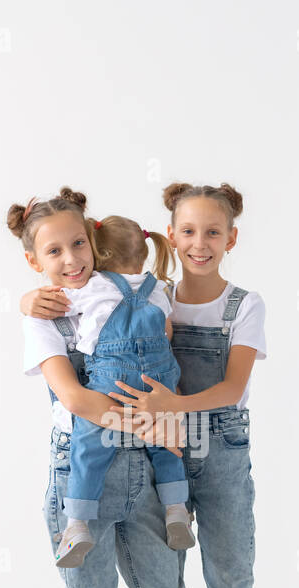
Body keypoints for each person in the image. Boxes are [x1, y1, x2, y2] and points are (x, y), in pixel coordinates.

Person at [9, 186, 224, 588]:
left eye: (80, 244)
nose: (71, 258)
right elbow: (75, 397)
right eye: (55, 250)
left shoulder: (121, 297)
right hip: (84, 468)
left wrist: (169, 414)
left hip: (150, 470)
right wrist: (156, 419)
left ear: (99, 248)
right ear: (35, 261)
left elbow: (168, 333)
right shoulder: (45, 320)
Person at [50, 215, 194, 568]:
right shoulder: (156, 288)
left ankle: (78, 524)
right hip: (157, 380)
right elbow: (167, 331)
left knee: (89, 443)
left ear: (102, 254)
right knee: (166, 443)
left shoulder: (94, 285)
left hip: (114, 377)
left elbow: (56, 303)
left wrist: (26, 301)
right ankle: (176, 509)